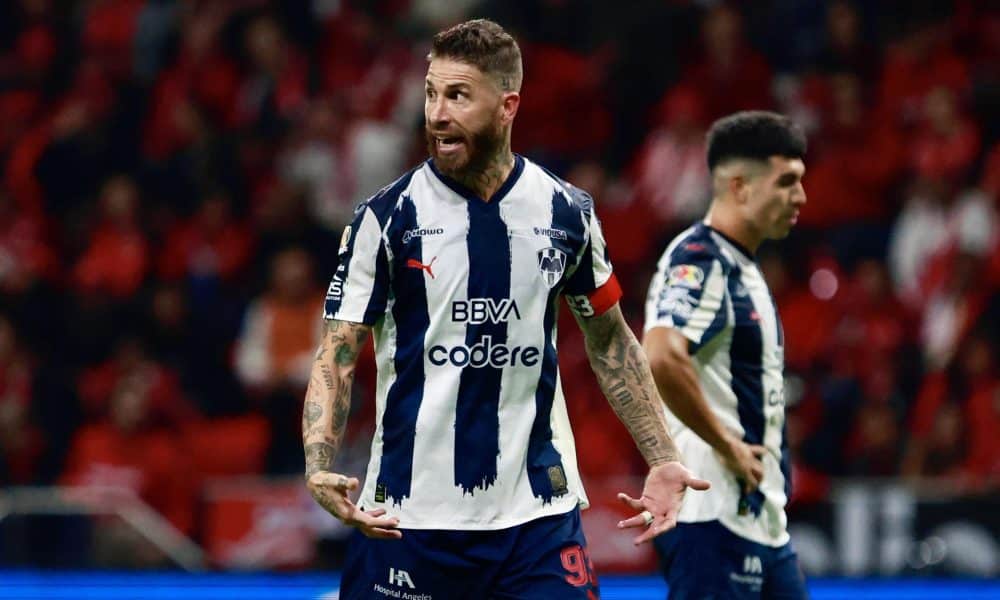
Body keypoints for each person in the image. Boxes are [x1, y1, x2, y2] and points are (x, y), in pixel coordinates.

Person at [303, 19, 709, 599]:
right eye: (431, 94)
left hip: (536, 522)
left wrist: (662, 454)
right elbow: (337, 352)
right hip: (407, 521)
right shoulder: (384, 219)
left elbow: (611, 340)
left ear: (507, 105)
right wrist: (319, 462)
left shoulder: (566, 212)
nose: (437, 114)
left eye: (458, 95)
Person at [642, 111, 809, 598]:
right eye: (787, 182)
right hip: (711, 521)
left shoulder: (745, 270)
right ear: (740, 186)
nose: (800, 196)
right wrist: (729, 446)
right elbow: (661, 355)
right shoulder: (700, 260)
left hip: (759, 522)